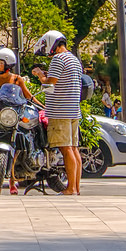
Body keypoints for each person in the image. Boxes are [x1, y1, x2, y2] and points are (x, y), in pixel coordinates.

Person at [0, 46, 35, 195]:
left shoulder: (17, 79)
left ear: (7, 63)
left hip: (12, 118)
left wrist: (40, 106)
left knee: (14, 149)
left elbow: (27, 96)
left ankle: (12, 182)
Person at [39, 30, 84, 195]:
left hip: (59, 110)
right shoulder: (74, 59)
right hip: (73, 110)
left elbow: (50, 84)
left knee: (66, 149)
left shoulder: (58, 59)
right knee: (73, 148)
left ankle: (70, 188)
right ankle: (76, 188)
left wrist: (40, 76)